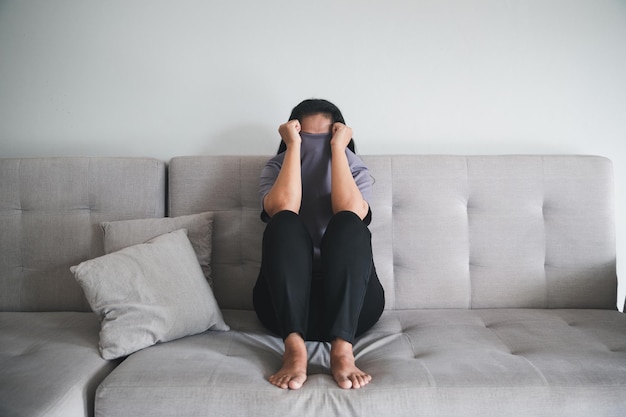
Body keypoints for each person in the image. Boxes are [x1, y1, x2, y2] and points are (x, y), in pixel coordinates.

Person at [253, 99, 385, 390]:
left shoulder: (356, 170)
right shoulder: (275, 168)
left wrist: (338, 150)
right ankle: (295, 349)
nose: (317, 147)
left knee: (349, 222)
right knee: (284, 221)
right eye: (305, 138)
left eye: (325, 140)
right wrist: (294, 148)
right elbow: (282, 207)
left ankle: (342, 350)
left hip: (353, 306)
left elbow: (351, 211)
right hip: (283, 305)